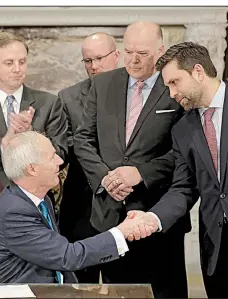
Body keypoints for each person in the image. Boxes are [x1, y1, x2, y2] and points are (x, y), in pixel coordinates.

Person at [73, 21, 189, 298]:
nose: (134, 60)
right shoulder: (102, 83)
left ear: (160, 51)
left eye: (143, 53)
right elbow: (83, 139)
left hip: (158, 216)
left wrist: (140, 173)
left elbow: (185, 151)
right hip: (108, 215)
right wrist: (105, 178)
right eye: (129, 52)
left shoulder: (174, 86)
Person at [128, 42, 228, 299]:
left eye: (175, 82)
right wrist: (153, 218)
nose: (171, 93)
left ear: (198, 71)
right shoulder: (182, 129)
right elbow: (184, 188)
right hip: (217, 255)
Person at [0, 131, 157, 283]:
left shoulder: (40, 199)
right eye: (52, 157)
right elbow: (67, 257)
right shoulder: (13, 212)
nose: (60, 161)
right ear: (32, 169)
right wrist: (123, 231)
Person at [0, 32, 68, 188]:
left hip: (36, 199)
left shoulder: (49, 103)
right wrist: (4, 144)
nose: (17, 69)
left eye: (22, 62)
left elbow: (61, 155)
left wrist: (31, 135)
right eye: (9, 63)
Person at [58, 32, 120, 283]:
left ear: (116, 56)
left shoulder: (133, 91)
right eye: (87, 61)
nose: (94, 66)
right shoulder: (68, 97)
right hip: (81, 199)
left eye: (99, 58)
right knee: (81, 282)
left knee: (123, 279)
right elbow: (65, 142)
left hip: (122, 199)